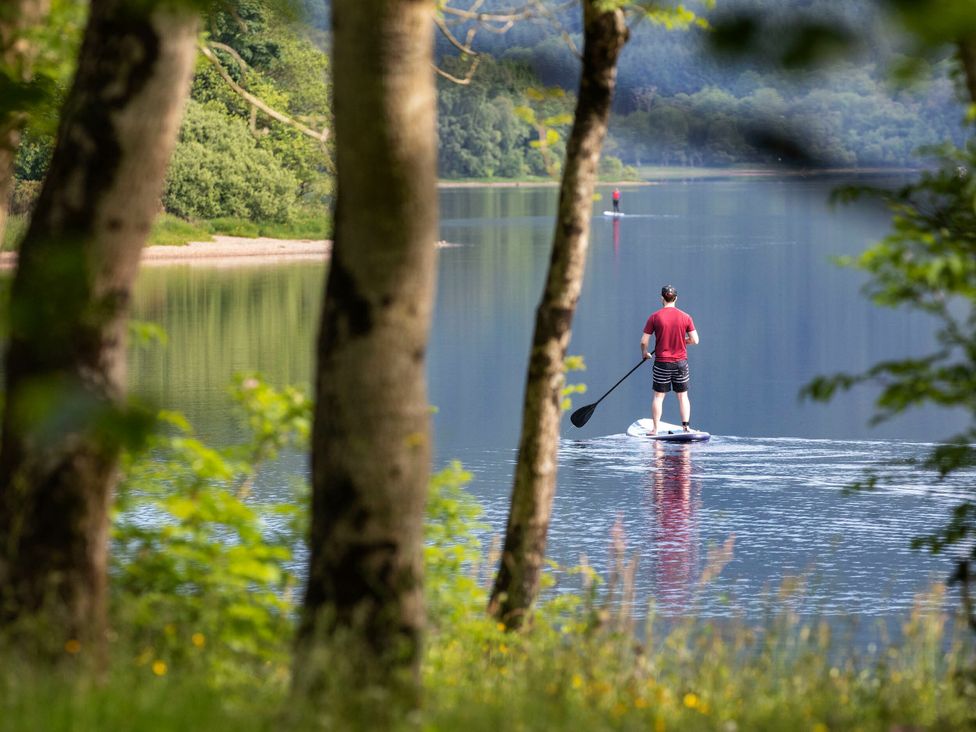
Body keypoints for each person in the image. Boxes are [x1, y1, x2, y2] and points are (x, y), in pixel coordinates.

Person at [640, 284, 699, 434]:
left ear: (662, 298)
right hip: (680, 363)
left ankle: (655, 429)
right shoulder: (686, 317)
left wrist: (645, 353)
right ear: (676, 298)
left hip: (662, 364)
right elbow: (695, 340)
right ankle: (686, 427)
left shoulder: (654, 317)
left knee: (658, 397)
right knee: (683, 396)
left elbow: (643, 341)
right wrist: (683, 340)